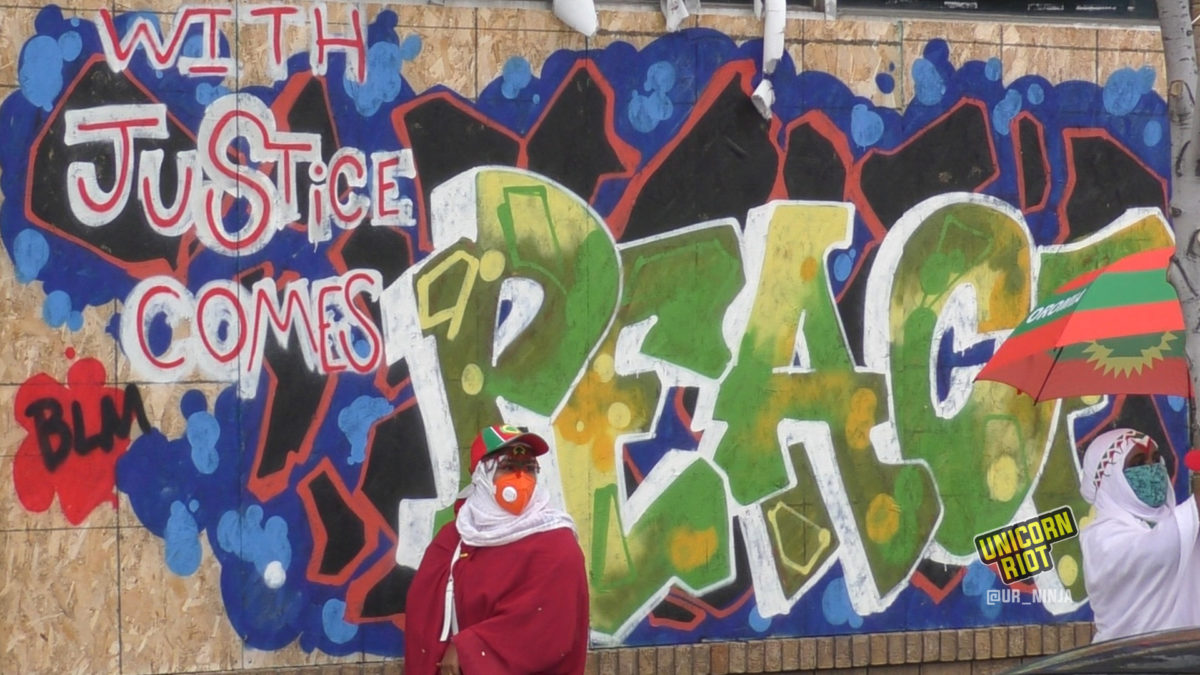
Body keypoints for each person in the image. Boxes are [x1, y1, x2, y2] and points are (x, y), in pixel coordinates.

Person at [404, 424, 589, 674]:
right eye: (508, 467)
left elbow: (546, 626)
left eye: (529, 468)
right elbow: (424, 614)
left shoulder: (556, 543)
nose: (521, 478)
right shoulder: (455, 538)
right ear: (482, 476)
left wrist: (469, 649)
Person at [1079, 427, 1200, 642]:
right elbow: (1156, 550)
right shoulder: (1101, 538)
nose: (1151, 469)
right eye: (1137, 463)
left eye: (1155, 459)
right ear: (1110, 479)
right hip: (1129, 662)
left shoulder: (1180, 524)